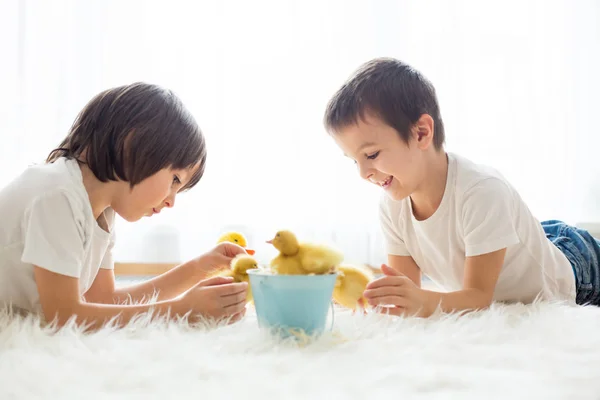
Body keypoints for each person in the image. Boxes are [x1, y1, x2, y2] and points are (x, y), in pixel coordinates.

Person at [323, 57, 600, 317]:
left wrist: (425, 301)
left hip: (577, 267)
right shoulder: (393, 205)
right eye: (354, 161)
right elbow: (405, 293)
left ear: (421, 133)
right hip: (519, 243)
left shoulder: (482, 193)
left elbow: (477, 298)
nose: (363, 173)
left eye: (371, 155)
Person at [0, 82, 248, 329]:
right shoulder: (58, 195)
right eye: (175, 180)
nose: (171, 201)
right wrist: (182, 311)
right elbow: (64, 317)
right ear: (133, 144)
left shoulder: (101, 210)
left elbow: (103, 300)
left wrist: (199, 269)